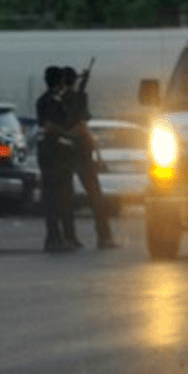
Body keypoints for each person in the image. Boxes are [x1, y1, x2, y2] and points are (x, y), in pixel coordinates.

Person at [62, 66, 119, 249]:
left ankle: (69, 237)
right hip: (82, 151)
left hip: (67, 151)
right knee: (95, 196)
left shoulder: (59, 100)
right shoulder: (79, 98)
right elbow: (83, 122)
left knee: (67, 197)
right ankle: (104, 237)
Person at [36, 66, 79, 252]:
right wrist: (70, 134)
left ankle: (62, 236)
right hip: (54, 153)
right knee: (56, 197)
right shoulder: (50, 102)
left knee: (61, 197)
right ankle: (55, 237)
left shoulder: (48, 100)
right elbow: (50, 126)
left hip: (55, 153)